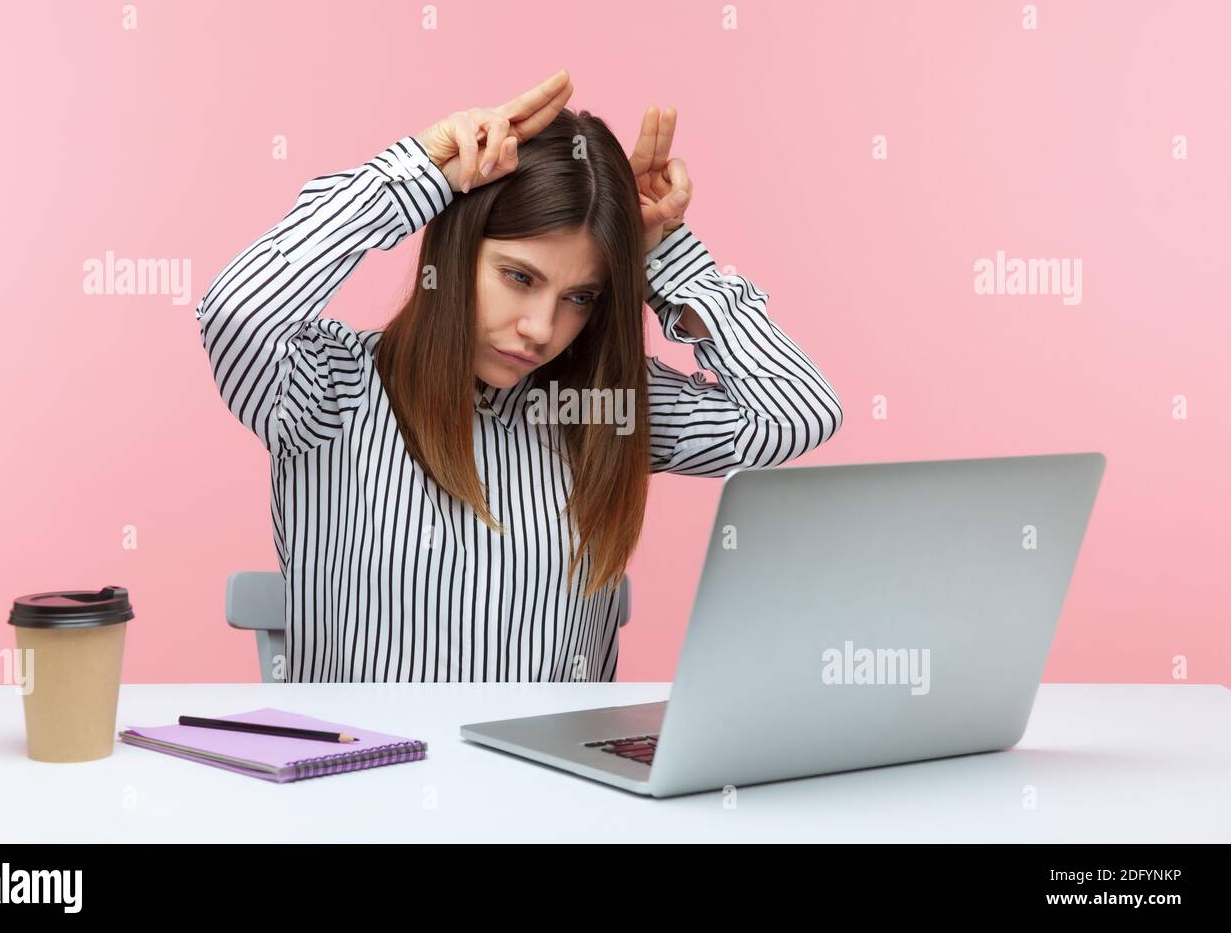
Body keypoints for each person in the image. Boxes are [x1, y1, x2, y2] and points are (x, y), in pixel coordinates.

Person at [195, 69, 843, 683]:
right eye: (520, 278)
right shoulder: (330, 390)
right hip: (370, 786)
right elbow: (237, 308)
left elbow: (794, 413)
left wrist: (665, 253)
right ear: (455, 252)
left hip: (560, 793)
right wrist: (421, 173)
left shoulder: (595, 407)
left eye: (580, 297)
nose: (541, 327)